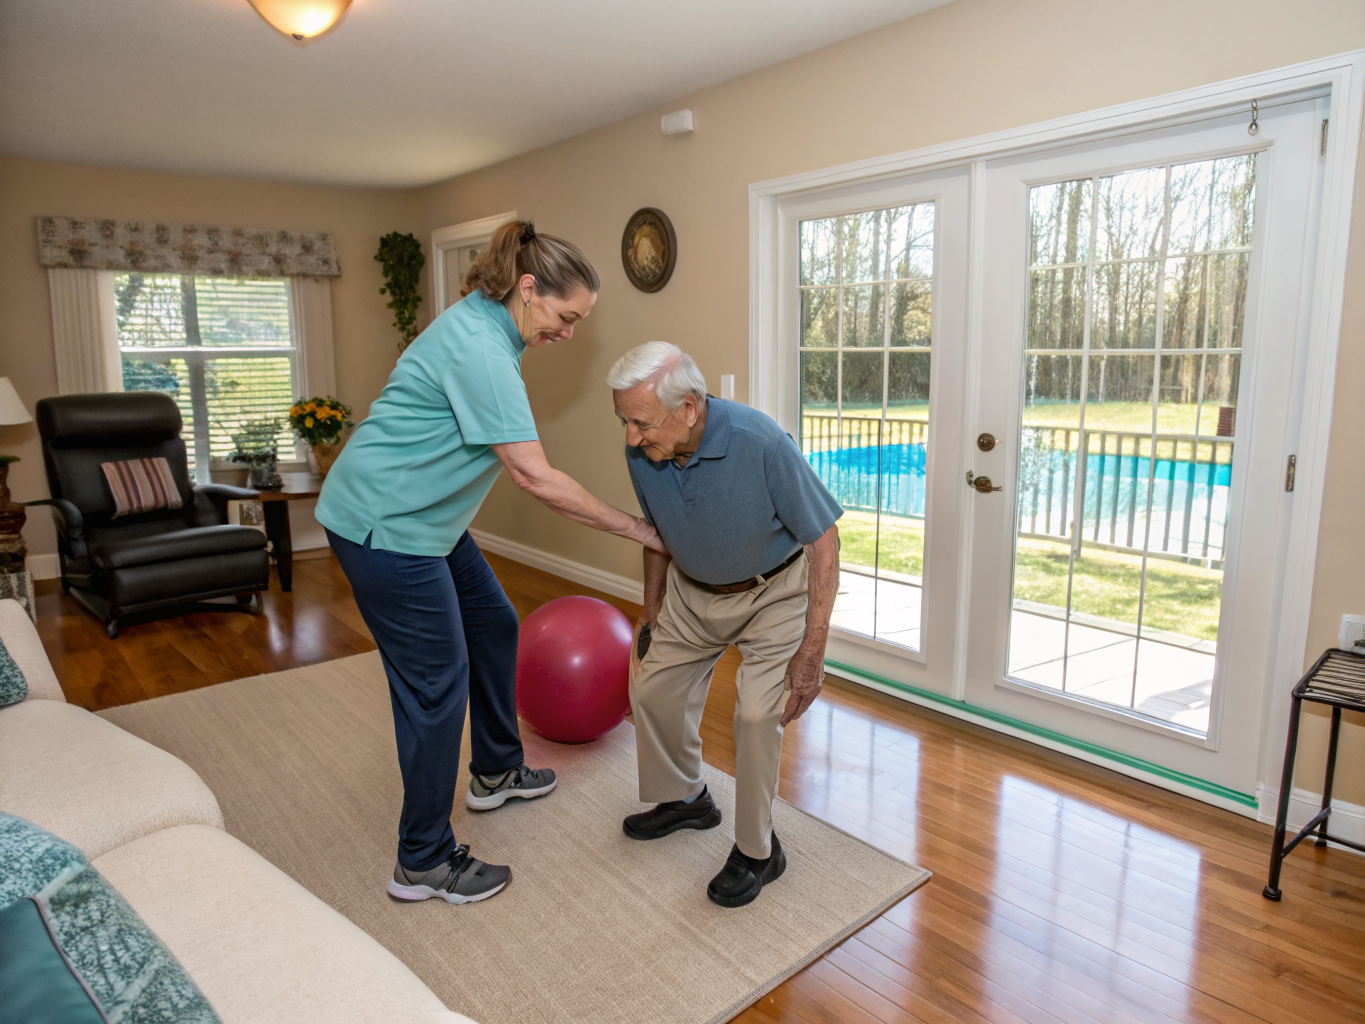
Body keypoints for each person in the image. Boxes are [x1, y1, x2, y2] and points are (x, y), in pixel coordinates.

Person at [316, 222, 665, 907]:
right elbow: (533, 477)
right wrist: (639, 530)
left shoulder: (488, 323)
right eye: (565, 318)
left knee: (494, 624)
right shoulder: (481, 347)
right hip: (387, 525)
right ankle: (423, 860)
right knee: (434, 688)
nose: (567, 333)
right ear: (529, 289)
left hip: (427, 522)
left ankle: (496, 772)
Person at [607, 342, 842, 907]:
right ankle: (687, 798)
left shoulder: (760, 443)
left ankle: (759, 851)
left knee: (760, 712)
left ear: (688, 408)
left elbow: (824, 538)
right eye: (625, 422)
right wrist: (650, 608)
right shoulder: (644, 454)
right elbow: (656, 532)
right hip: (693, 589)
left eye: (642, 423)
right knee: (651, 683)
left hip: (775, 592)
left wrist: (814, 644)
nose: (633, 438)